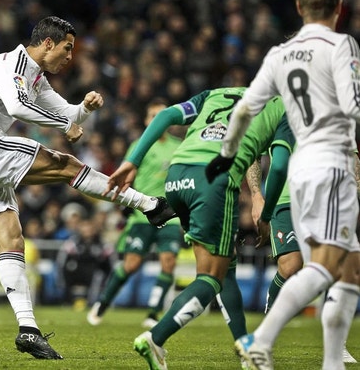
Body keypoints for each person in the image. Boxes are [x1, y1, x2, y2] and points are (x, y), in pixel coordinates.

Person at [0, 16, 174, 360]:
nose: (70, 57)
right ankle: (149, 205)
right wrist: (62, 126)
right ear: (48, 43)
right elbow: (17, 107)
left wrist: (84, 108)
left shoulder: (35, 77)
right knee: (66, 164)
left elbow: (69, 114)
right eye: (67, 49)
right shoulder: (9, 64)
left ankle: (28, 330)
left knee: (12, 241)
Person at [206, 0, 360, 370]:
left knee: (349, 267)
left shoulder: (280, 54)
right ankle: (262, 340)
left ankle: (332, 361)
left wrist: (227, 151)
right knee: (326, 267)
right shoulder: (342, 45)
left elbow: (245, 109)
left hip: (300, 169)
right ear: (339, 7)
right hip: (331, 164)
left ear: (299, 5)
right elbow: (352, 106)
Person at [105, 86, 293, 370]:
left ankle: (246, 346)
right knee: (211, 277)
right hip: (214, 180)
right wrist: (266, 215)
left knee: (224, 265)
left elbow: (166, 116)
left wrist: (133, 161)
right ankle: (155, 338)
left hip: (177, 176)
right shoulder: (284, 108)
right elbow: (278, 167)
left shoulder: (215, 93)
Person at [247, 145, 358, 364]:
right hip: (284, 199)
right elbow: (254, 154)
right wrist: (256, 194)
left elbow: (351, 154)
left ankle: (337, 345)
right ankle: (263, 337)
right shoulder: (275, 121)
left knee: (337, 266)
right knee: (290, 266)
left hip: (326, 201)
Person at [87, 102, 184, 328]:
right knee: (131, 264)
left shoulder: (179, 146)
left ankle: (153, 313)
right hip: (142, 214)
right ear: (147, 120)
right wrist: (124, 202)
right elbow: (126, 175)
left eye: (162, 115)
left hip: (171, 214)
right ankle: (103, 303)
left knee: (168, 262)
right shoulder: (139, 145)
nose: (158, 119)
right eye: (153, 115)